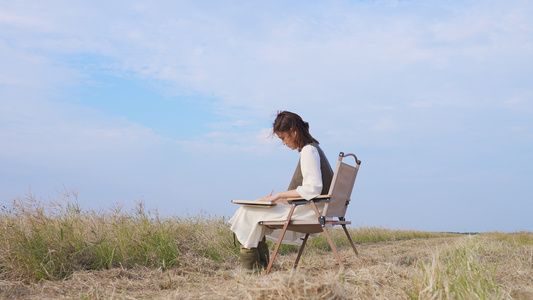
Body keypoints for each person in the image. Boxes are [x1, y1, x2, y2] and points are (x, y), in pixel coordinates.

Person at [228, 111, 334, 274]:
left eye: (283, 138)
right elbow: (310, 192)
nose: (283, 143)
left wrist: (278, 196)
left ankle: (250, 269)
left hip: (311, 212)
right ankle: (259, 266)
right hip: (314, 208)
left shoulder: (308, 151)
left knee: (246, 211)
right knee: (253, 210)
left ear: (293, 131)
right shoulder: (313, 148)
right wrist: (275, 200)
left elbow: (313, 189)